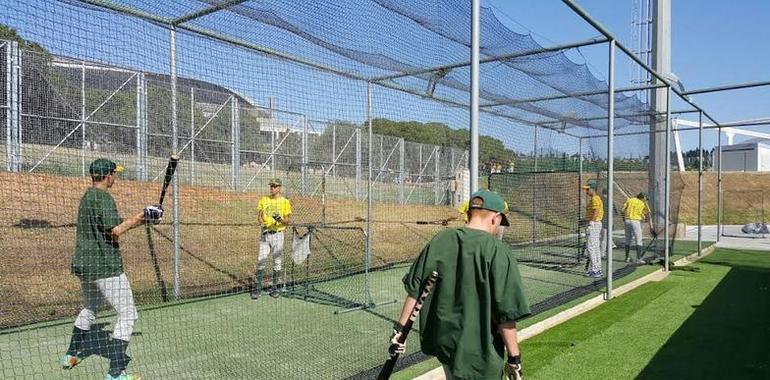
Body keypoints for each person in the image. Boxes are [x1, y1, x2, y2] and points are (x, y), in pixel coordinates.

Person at [391, 190, 529, 379]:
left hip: (446, 346)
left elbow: (415, 291)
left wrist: (399, 330)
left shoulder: (440, 240)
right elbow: (506, 313)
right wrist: (514, 357)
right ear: (495, 218)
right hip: (481, 353)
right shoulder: (497, 250)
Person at [61, 158, 163, 380]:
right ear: (107, 176)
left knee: (90, 308)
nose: (115, 177)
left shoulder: (87, 196)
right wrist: (142, 216)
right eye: (114, 174)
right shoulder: (104, 198)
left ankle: (70, 355)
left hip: (85, 266)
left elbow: (111, 227)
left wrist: (144, 219)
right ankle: (116, 373)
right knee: (128, 315)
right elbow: (114, 231)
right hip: (105, 267)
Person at [251, 178, 292, 299]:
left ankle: (274, 288)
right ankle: (257, 289)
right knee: (261, 260)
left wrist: (280, 219)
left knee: (277, 262)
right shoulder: (264, 199)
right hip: (265, 234)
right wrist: (261, 223)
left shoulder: (285, 202)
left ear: (279, 187)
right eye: (271, 186)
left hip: (278, 234)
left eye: (275, 186)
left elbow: (287, 220)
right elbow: (259, 217)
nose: (272, 189)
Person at [622, 192, 654, 264]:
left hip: (627, 220)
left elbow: (622, 210)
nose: (646, 200)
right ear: (643, 198)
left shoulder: (630, 200)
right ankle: (639, 259)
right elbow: (649, 216)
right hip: (635, 221)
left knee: (628, 240)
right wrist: (651, 228)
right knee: (638, 240)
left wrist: (624, 219)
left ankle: (627, 257)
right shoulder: (643, 203)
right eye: (646, 199)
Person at [581, 183, 604, 278]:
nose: (586, 191)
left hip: (594, 224)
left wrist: (591, 222)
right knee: (595, 247)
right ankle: (597, 268)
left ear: (593, 189)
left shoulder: (595, 198)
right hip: (595, 224)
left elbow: (596, 211)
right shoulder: (595, 198)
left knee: (591, 247)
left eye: (587, 189)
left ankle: (595, 269)